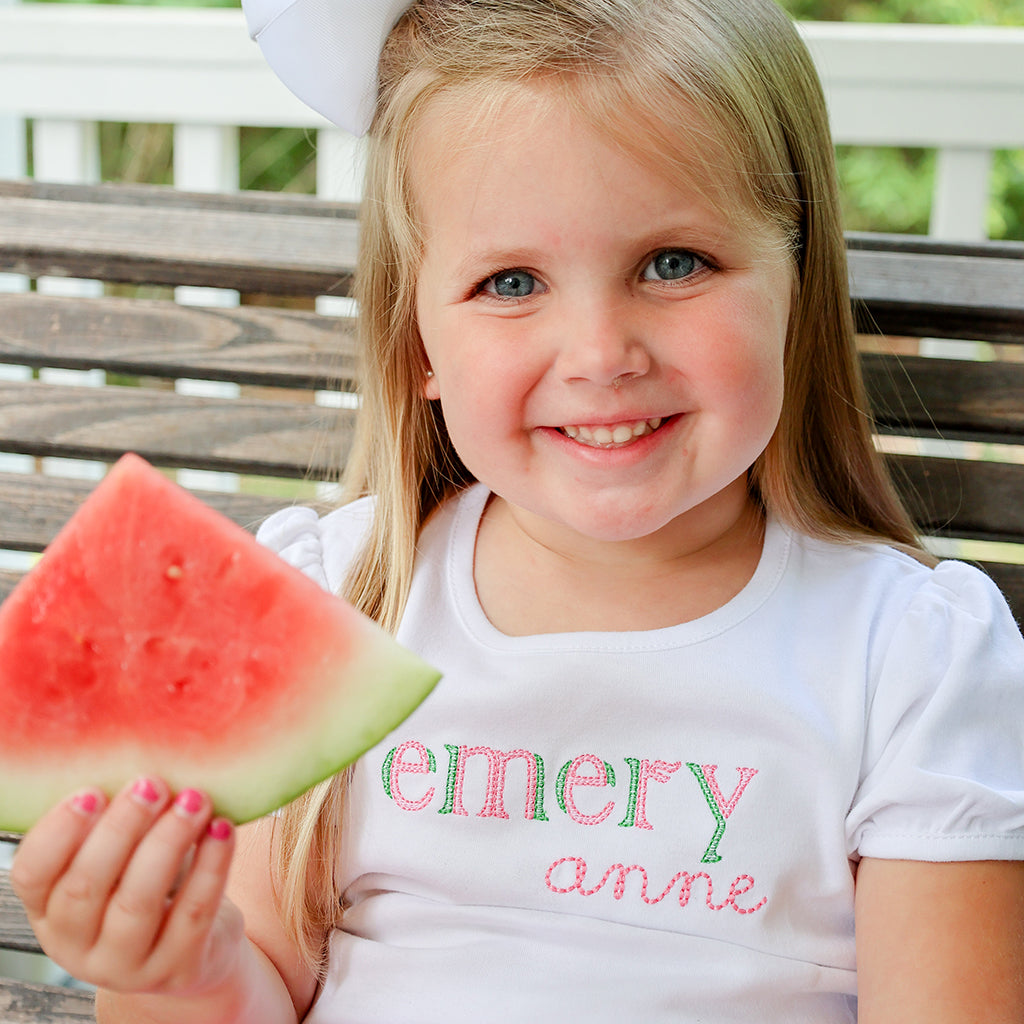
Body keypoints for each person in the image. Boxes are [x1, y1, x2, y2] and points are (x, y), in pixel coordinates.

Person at [10, 1, 1024, 1021]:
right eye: (510, 281)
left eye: (673, 263)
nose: (598, 352)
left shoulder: (911, 659)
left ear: (794, 284)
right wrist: (169, 969)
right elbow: (244, 988)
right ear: (417, 344)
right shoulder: (337, 595)